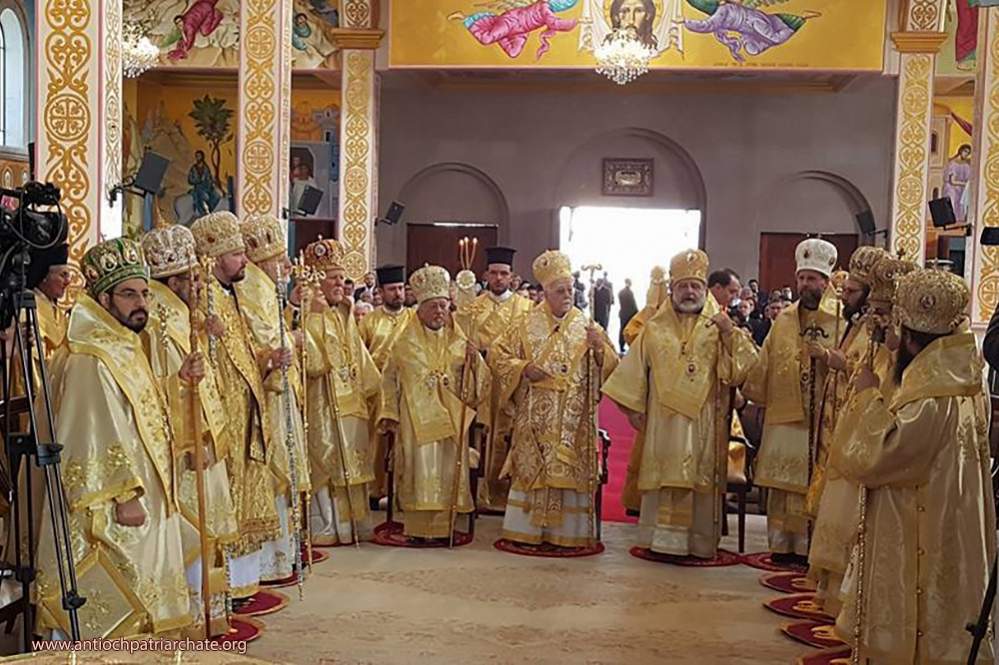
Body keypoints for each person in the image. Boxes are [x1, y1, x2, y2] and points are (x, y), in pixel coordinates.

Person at [831, 268, 996, 664]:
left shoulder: (930, 397)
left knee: (921, 621)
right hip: (955, 516)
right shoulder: (965, 378)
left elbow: (878, 457)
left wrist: (868, 397)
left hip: (921, 522)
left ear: (908, 336)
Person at [35, 238, 191, 638]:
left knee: (143, 588)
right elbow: (89, 430)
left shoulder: (121, 341)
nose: (141, 303)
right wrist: (125, 495)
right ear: (104, 298)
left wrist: (178, 381)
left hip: (143, 488)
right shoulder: (90, 356)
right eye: (128, 294)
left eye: (144, 293)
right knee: (115, 596)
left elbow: (138, 406)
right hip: (112, 501)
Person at [603, 249, 757, 560]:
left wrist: (730, 335)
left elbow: (744, 369)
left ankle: (698, 543)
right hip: (662, 421)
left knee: (698, 478)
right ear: (672, 289)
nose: (689, 292)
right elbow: (634, 369)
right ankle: (660, 540)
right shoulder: (655, 328)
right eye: (683, 286)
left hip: (704, 420)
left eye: (695, 286)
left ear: (704, 290)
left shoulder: (720, 327)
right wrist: (633, 408)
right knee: (664, 476)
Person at [141, 223, 239, 637]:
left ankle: (209, 615)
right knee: (192, 534)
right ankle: (192, 620)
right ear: (174, 282)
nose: (200, 286)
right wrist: (191, 440)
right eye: (193, 279)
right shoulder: (158, 322)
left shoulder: (183, 315)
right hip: (186, 448)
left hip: (205, 439)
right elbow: (155, 388)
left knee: (208, 532)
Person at [491, 251, 619, 550]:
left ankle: (568, 534)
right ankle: (526, 531)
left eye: (570, 290)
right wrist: (524, 368)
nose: (567, 296)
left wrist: (600, 350)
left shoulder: (588, 327)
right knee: (534, 467)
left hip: (574, 418)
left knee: (567, 467)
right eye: (560, 291)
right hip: (534, 414)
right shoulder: (524, 325)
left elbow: (612, 367)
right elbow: (498, 355)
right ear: (545, 293)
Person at [808, 253, 913, 617]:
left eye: (883, 313)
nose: (876, 319)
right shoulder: (866, 329)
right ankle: (833, 595)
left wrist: (846, 367)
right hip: (852, 429)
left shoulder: (902, 353)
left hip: (873, 439)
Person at [191, 211, 280, 601]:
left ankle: (243, 583)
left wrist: (268, 358)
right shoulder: (204, 299)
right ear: (215, 259)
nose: (245, 260)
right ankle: (226, 587)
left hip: (246, 408)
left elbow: (244, 352)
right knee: (228, 497)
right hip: (224, 415)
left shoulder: (231, 295)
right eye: (236, 254)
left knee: (247, 494)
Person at [742, 238, 842, 564]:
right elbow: (766, 360)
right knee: (782, 484)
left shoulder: (840, 319)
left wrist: (827, 357)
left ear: (826, 282)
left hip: (821, 416)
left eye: (812, 278)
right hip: (785, 414)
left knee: (812, 481)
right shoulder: (784, 319)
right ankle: (781, 545)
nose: (805, 284)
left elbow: (852, 363)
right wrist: (751, 393)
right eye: (801, 278)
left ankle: (809, 548)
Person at [377, 265, 490, 541]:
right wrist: (390, 413)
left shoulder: (460, 340)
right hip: (416, 423)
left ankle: (445, 527)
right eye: (433, 307)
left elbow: (478, 386)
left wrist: (475, 361)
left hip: (450, 420)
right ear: (420, 310)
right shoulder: (404, 342)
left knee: (447, 471)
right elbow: (388, 379)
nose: (440, 311)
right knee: (420, 470)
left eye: (443, 305)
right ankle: (418, 529)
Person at [237, 213, 311, 583]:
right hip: (268, 394)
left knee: (284, 471)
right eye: (280, 259)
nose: (287, 266)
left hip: (278, 389)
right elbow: (264, 339)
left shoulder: (265, 286)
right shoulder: (254, 286)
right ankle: (272, 558)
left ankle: (283, 555)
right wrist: (292, 341)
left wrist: (292, 312)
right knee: (275, 472)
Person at [302, 238, 381, 544]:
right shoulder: (308, 311)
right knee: (326, 459)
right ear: (317, 280)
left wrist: (375, 391)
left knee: (354, 461)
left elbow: (358, 355)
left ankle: (353, 526)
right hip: (323, 401)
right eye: (333, 277)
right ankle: (326, 527)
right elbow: (313, 362)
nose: (340, 283)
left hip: (352, 400)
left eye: (342, 277)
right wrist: (313, 315)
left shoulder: (344, 311)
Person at [456, 246, 534, 512]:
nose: (498, 278)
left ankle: (509, 493)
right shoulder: (472, 308)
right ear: (486, 275)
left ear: (512, 276)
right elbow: (461, 342)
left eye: (503, 273)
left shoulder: (527, 308)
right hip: (482, 381)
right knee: (482, 434)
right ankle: (480, 492)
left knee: (510, 433)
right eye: (494, 273)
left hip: (514, 383)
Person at [359, 265, 416, 503]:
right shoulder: (369, 320)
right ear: (381, 292)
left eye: (401, 288)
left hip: (407, 390)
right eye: (392, 289)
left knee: (406, 440)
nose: (398, 294)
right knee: (376, 441)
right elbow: (359, 354)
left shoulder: (414, 318)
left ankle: (401, 490)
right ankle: (375, 489)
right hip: (377, 390)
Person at [618, 277, 639, 353]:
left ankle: (621, 346)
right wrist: (637, 312)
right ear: (630, 283)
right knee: (630, 330)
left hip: (622, 313)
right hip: (630, 314)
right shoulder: (630, 292)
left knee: (622, 329)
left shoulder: (620, 292)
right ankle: (630, 345)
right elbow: (633, 304)